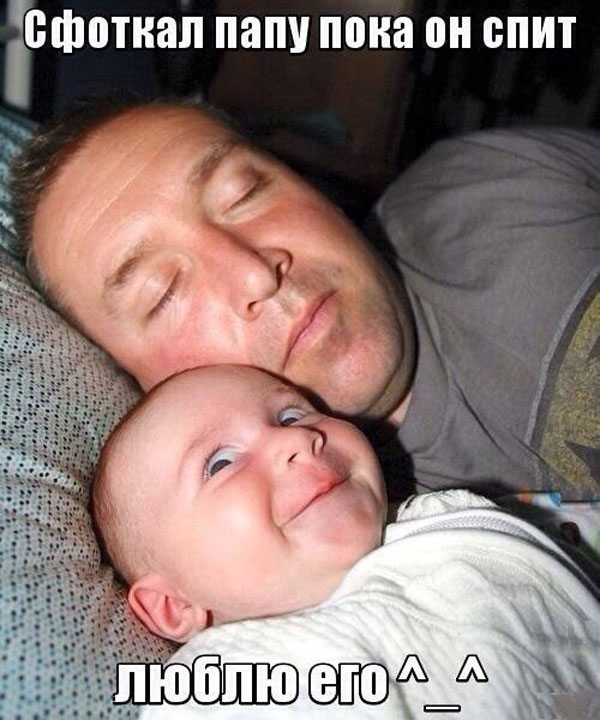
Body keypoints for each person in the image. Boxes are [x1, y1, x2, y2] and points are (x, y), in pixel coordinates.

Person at [10, 97, 600, 500]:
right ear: (140, 393)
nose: (255, 274)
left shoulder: (496, 185)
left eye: (244, 193)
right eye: (162, 293)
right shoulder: (328, 597)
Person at [91, 365, 599, 719]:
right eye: (220, 463)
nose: (296, 439)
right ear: (174, 605)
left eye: (292, 416)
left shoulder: (440, 514)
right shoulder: (235, 682)